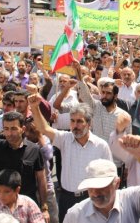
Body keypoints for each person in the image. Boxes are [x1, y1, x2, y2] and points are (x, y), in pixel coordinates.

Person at [28, 94, 112, 222]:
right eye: (72, 121)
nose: (75, 125)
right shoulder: (64, 139)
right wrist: (34, 108)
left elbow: (109, 176)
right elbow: (44, 129)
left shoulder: (101, 145)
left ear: (89, 123)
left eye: (79, 121)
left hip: (91, 199)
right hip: (67, 199)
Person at [64, 134, 140, 223]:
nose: (95, 193)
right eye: (90, 187)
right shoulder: (75, 215)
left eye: (101, 187)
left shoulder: (130, 200)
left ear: (117, 183)